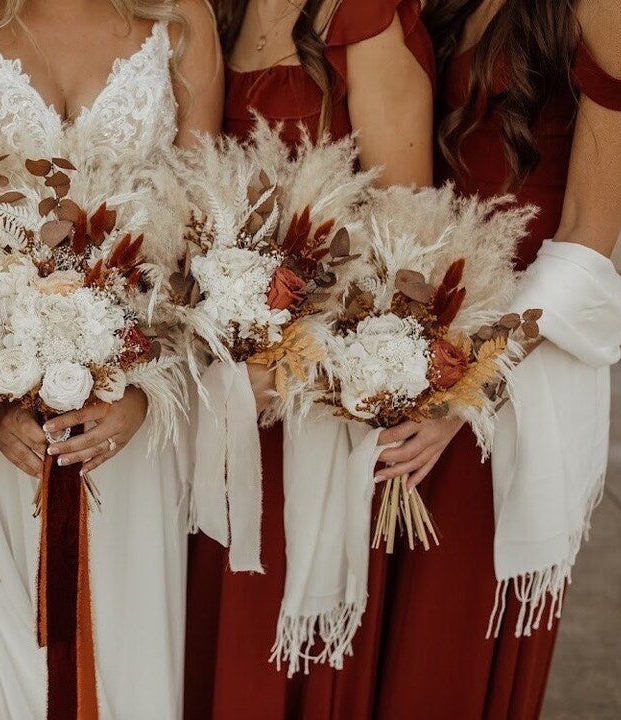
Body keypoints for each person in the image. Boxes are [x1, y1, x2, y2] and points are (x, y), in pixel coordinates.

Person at [0, 0, 222, 716]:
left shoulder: (180, 15)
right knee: (15, 631)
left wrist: (145, 394)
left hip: (135, 401)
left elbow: (199, 243)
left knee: (132, 635)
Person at [360, 1, 621, 716]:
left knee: (441, 657)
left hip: (506, 380)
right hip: (402, 352)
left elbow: (588, 238)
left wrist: (466, 389)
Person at [183, 0, 435, 717]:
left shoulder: (363, 17)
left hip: (315, 403)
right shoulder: (213, 12)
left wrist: (295, 353)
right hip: (218, 385)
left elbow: (404, 238)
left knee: (276, 662)